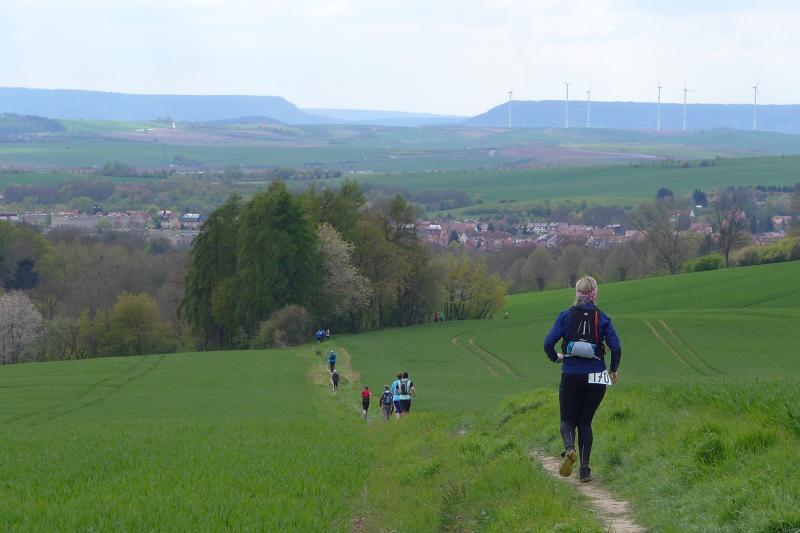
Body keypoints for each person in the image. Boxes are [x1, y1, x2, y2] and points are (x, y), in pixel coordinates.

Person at [543, 276, 621, 483]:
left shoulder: (565, 316)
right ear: (595, 293)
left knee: (567, 420)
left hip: (572, 374)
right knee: (585, 423)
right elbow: (616, 347)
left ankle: (569, 449)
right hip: (597, 376)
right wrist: (613, 369)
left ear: (577, 293)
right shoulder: (603, 318)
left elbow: (548, 343)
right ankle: (584, 470)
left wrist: (556, 358)